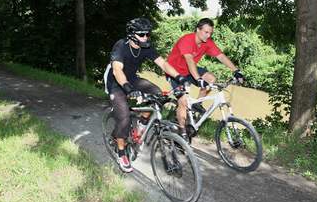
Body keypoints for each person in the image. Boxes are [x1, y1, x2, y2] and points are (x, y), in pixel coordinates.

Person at [104, 17, 186, 173]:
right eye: (143, 35)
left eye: (148, 34)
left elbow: (163, 64)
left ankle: (142, 123)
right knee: (124, 118)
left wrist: (179, 77)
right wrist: (128, 89)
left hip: (133, 79)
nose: (146, 38)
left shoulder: (146, 47)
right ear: (132, 35)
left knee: (156, 93)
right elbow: (117, 70)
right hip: (116, 83)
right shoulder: (121, 46)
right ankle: (121, 152)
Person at [166, 18, 244, 138]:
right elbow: (190, 60)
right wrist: (198, 79)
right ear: (198, 29)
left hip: (189, 71)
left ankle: (197, 105)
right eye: (206, 32)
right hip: (174, 72)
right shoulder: (187, 40)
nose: (208, 35)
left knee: (211, 79)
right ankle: (182, 133)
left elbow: (221, 56)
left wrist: (236, 71)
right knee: (183, 101)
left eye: (210, 33)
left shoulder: (207, 42)